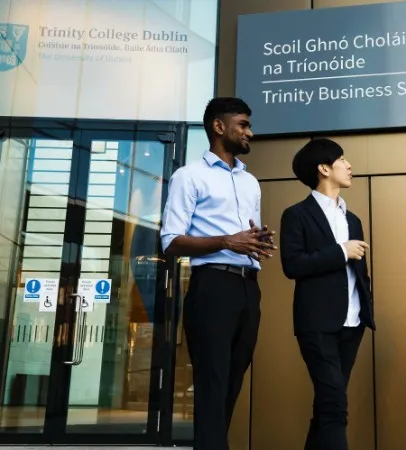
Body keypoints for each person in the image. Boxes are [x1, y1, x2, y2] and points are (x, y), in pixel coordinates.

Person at [160, 97, 275, 450]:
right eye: (242, 124)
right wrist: (229, 241)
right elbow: (170, 242)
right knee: (212, 382)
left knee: (232, 380)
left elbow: (244, 237)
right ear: (219, 126)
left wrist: (256, 241)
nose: (249, 132)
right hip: (212, 287)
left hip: (248, 289)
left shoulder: (251, 182)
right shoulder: (189, 176)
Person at [279, 138, 375, 450]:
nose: (349, 166)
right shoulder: (296, 215)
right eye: (343, 160)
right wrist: (340, 251)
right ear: (324, 168)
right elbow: (292, 265)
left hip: (352, 323)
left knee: (327, 405)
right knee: (335, 404)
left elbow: (361, 273)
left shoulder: (353, 219)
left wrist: (365, 310)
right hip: (317, 325)